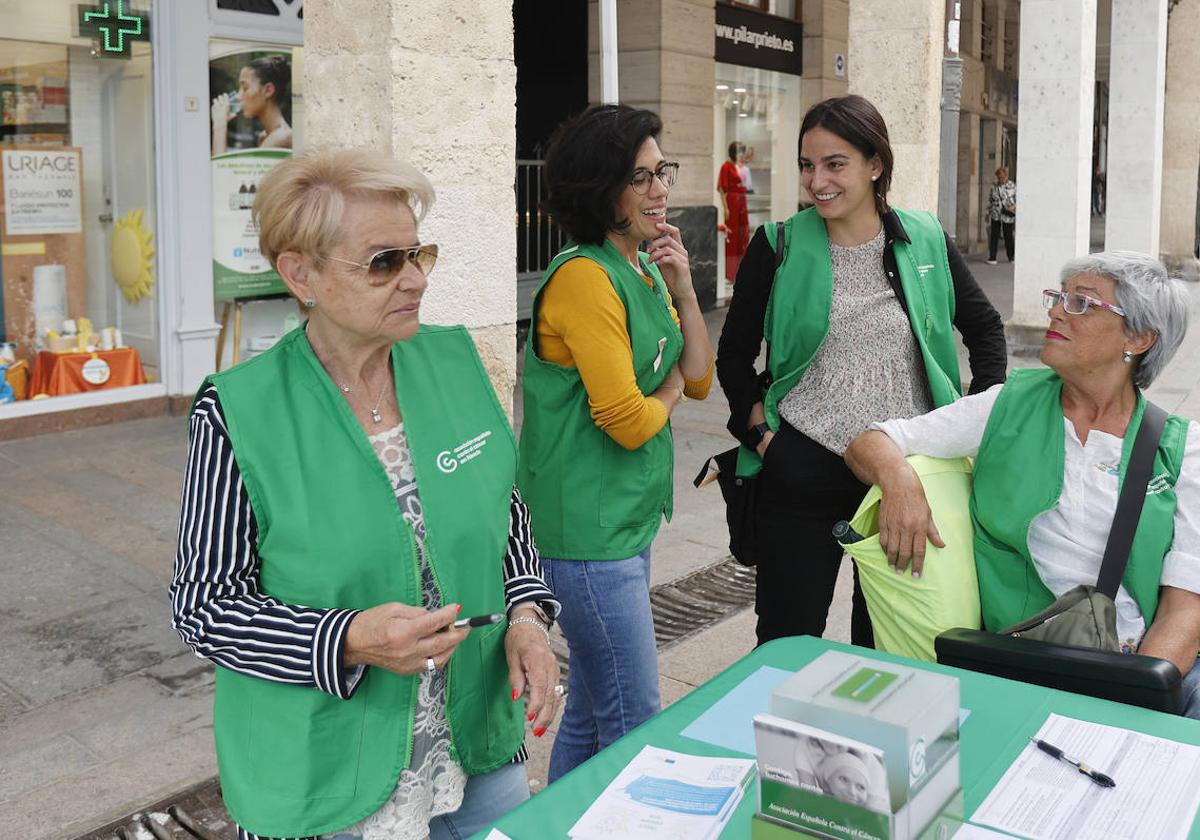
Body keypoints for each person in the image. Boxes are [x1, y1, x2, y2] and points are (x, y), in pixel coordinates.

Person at [170, 149, 562, 840]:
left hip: (474, 740)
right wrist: (345, 638)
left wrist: (527, 614)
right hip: (327, 769)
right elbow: (205, 606)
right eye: (383, 262)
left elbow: (505, 509)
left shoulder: (456, 360)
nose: (413, 278)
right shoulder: (241, 411)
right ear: (301, 273)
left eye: (419, 254)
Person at [845, 251, 1200, 719]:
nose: (1054, 311)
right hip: (1025, 660)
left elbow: (1184, 608)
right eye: (1059, 297)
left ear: (1138, 337)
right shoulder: (1006, 405)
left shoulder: (1182, 449)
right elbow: (871, 441)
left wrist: (1138, 701)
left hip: (1141, 668)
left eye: (1082, 304)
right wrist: (900, 480)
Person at [716, 94, 1007, 648]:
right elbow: (733, 355)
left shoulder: (925, 240)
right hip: (802, 470)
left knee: (890, 650)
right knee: (785, 643)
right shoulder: (776, 246)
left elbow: (985, 329)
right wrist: (762, 438)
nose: (817, 180)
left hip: (905, 476)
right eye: (807, 164)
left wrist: (976, 416)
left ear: (875, 165)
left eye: (835, 164)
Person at [518, 104, 715, 781]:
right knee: (635, 716)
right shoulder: (583, 279)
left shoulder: (643, 266)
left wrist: (686, 290)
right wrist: (657, 396)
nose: (661, 191)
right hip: (585, 532)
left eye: (662, 173)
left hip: (624, 517)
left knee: (594, 710)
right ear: (602, 190)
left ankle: (559, 824)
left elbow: (697, 379)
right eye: (641, 178)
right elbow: (629, 419)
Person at [211, 54, 293, 156]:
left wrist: (220, 125)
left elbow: (221, 169)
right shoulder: (264, 136)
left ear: (268, 90)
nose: (239, 96)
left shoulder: (282, 137)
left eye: (245, 88)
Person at [719, 141, 751, 282]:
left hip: (742, 202)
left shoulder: (741, 167)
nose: (741, 155)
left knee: (743, 235)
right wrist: (725, 208)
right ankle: (730, 273)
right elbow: (721, 189)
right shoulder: (726, 167)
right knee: (732, 239)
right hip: (732, 202)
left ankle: (741, 271)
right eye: (739, 152)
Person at [986, 166, 1016, 265]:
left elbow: (1018, 199)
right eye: (999, 177)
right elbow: (990, 201)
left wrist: (1014, 207)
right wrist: (987, 214)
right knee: (994, 236)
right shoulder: (994, 187)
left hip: (1007, 215)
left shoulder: (1012, 186)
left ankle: (1011, 256)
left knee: (1008, 236)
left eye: (1002, 177)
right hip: (996, 214)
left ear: (1006, 176)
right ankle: (992, 257)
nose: (1001, 179)